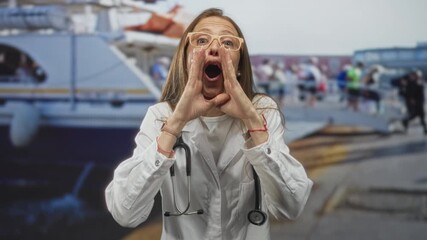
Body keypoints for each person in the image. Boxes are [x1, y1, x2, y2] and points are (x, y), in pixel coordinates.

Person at [105, 8, 313, 240]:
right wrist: (174, 126)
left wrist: (253, 123)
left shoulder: (262, 111)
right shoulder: (161, 116)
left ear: (240, 65)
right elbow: (126, 213)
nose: (214, 48)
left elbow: (291, 206)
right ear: (186, 60)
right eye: (202, 40)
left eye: (227, 42)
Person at [401, 69, 427, 135]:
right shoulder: (411, 83)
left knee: (420, 116)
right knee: (417, 115)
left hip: (420, 101)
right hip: (416, 102)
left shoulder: (419, 82)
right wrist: (411, 100)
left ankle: (425, 129)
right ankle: (405, 122)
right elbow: (409, 93)